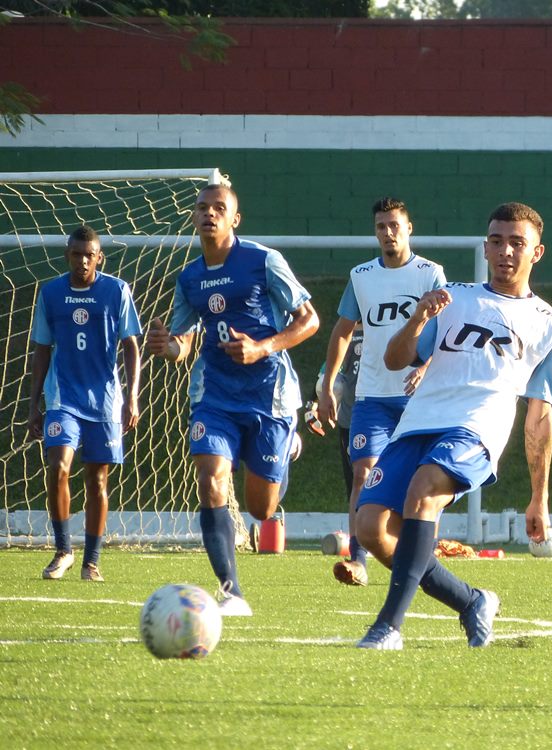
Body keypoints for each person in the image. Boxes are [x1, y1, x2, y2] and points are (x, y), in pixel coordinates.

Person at [353, 201, 552, 650]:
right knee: (370, 528)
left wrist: (539, 496)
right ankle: (471, 601)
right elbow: (395, 361)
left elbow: (541, 413)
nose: (505, 251)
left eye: (517, 243)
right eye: (496, 241)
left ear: (537, 252)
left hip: (475, 429)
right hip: (418, 423)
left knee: (424, 492)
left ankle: (388, 627)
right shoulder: (451, 298)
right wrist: (418, 318)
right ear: (485, 248)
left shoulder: (549, 325)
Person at [146, 182, 319, 616]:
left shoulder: (263, 261)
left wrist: (263, 347)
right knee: (211, 481)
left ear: (234, 219)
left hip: (268, 395)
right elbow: (184, 344)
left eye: (219, 208)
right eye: (203, 208)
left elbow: (309, 320)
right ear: (194, 216)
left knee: (262, 508)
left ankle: (286, 446)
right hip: (215, 395)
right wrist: (167, 345)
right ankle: (231, 592)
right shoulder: (189, 277)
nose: (210, 214)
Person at [316, 197, 446, 587]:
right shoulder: (362, 276)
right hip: (372, 396)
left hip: (418, 399)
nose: (388, 233)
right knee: (363, 473)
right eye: (380, 227)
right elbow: (342, 332)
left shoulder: (430, 273)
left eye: (394, 225)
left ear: (409, 229)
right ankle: (358, 560)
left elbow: (448, 329)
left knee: (420, 483)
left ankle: (419, 553)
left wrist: (424, 368)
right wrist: (328, 387)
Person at [28, 226, 142, 582]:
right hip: (63, 398)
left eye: (88, 255)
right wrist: (34, 403)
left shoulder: (116, 291)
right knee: (58, 466)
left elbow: (131, 346)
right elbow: (42, 349)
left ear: (99, 257)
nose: (82, 261)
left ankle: (91, 561)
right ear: (68, 255)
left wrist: (133, 396)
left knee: (97, 480)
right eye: (76, 254)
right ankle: (63, 550)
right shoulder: (51, 294)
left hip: (105, 401)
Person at [307, 323, 364, 502]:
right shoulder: (346, 335)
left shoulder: (387, 329)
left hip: (388, 414)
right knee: (358, 482)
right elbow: (328, 379)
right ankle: (359, 530)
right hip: (352, 419)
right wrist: (313, 405)